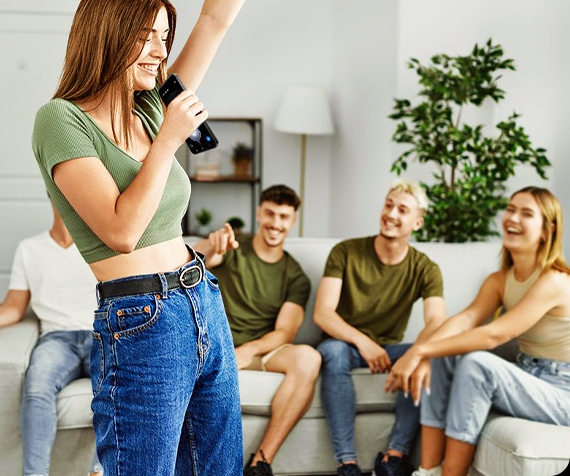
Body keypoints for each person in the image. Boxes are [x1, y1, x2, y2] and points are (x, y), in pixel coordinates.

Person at [32, 0, 300, 476]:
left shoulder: (154, 104)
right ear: (105, 33)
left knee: (218, 469)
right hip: (139, 318)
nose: (159, 49)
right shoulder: (61, 121)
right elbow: (120, 230)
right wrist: (168, 139)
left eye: (162, 35)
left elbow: (215, 17)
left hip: (200, 301)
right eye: (145, 36)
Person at [385, 186, 570, 476]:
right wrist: (426, 352)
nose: (513, 218)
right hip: (527, 375)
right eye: (510, 209)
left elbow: (495, 335)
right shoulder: (499, 280)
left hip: (562, 391)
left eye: (526, 214)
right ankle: (429, 470)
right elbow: (466, 318)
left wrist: (419, 349)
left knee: (476, 362)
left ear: (548, 230)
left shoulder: (555, 281)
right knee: (445, 351)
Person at [312, 180, 446, 476]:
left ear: (418, 222)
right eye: (388, 205)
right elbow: (323, 314)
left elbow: (437, 322)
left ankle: (393, 457)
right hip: (343, 345)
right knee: (332, 352)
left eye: (402, 209)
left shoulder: (426, 268)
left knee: (426, 357)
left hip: (388, 348)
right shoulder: (345, 252)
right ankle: (347, 463)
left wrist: (416, 354)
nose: (392, 214)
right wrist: (364, 343)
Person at [0, 204, 102, 476]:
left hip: (101, 334)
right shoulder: (30, 249)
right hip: (56, 339)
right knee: (37, 386)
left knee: (114, 387)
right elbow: (15, 306)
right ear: (52, 196)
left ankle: (100, 471)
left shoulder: (102, 245)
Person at [195, 184, 321, 476]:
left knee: (309, 358)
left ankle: (260, 464)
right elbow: (197, 260)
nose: (276, 224)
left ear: (293, 221)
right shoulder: (234, 247)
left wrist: (248, 350)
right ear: (259, 213)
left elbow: (285, 332)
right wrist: (210, 247)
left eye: (284, 217)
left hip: (258, 351)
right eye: (271, 214)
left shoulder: (295, 275)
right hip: (216, 347)